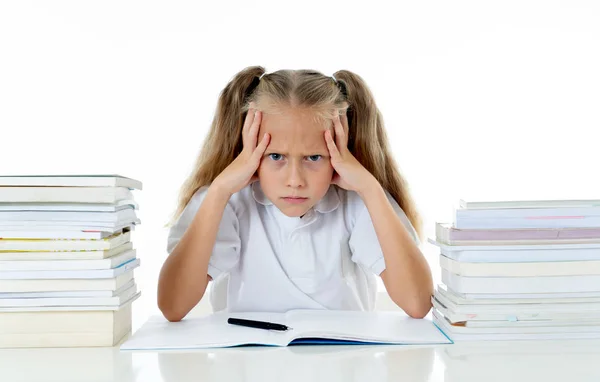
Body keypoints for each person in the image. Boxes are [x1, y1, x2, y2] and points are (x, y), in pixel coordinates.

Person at [157, 66, 433, 322]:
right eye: (276, 156)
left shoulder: (359, 200)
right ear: (248, 150)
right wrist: (218, 191)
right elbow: (173, 306)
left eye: (314, 157)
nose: (294, 181)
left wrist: (371, 189)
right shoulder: (227, 200)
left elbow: (417, 303)